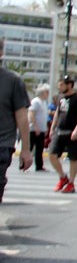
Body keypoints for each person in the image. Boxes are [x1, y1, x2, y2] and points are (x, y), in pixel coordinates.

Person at [0, 38, 31, 201]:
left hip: (2, 145)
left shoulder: (13, 81)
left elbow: (22, 116)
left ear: (1, 53)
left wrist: (25, 149)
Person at [47, 75, 77, 193]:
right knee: (52, 155)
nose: (59, 87)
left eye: (62, 85)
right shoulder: (60, 98)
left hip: (72, 132)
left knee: (73, 158)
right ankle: (63, 177)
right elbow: (57, 113)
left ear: (69, 85)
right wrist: (52, 127)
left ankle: (71, 183)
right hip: (60, 131)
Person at [27, 84, 50, 171]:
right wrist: (35, 126)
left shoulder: (44, 102)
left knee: (40, 148)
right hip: (33, 129)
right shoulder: (35, 101)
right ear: (42, 93)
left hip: (41, 130)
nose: (48, 94)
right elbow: (31, 114)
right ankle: (23, 164)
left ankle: (39, 166)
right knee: (30, 147)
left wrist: (45, 128)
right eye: (46, 92)